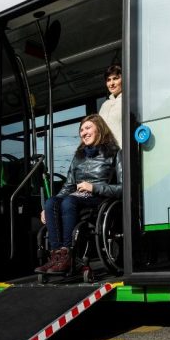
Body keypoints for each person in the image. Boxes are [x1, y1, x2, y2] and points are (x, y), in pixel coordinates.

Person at [38, 114, 122, 274]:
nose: (83, 132)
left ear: (100, 129)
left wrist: (94, 187)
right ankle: (57, 257)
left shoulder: (115, 153)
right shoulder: (78, 157)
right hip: (76, 198)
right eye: (81, 130)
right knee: (51, 203)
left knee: (69, 201)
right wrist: (48, 209)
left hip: (99, 201)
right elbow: (68, 186)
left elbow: (122, 188)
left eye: (88, 127)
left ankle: (68, 255)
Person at [98, 64, 122, 148]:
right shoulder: (105, 105)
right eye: (108, 80)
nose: (111, 83)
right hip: (106, 153)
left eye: (115, 78)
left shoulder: (128, 100)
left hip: (123, 151)